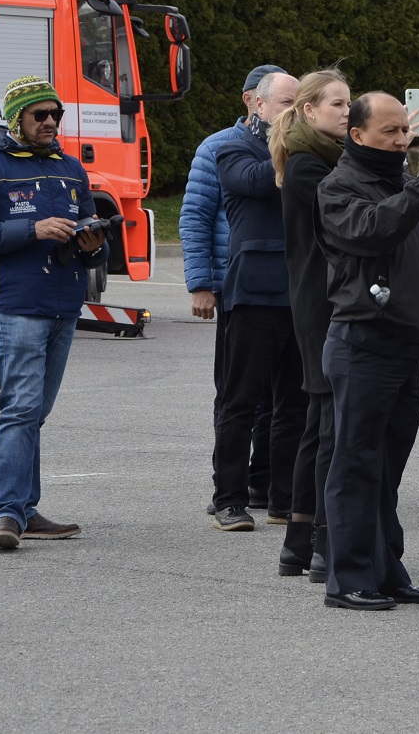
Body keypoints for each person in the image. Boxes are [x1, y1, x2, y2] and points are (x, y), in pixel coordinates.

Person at [0, 76, 108, 549]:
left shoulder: (70, 168)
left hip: (64, 305)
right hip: (16, 305)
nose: (52, 122)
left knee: (35, 412)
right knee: (20, 408)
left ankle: (25, 508)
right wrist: (32, 229)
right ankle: (7, 515)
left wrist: (94, 246)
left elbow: (91, 250)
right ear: (17, 118)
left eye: (56, 114)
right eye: (41, 115)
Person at [314, 93, 419, 611]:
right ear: (358, 135)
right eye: (390, 132)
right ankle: (348, 578)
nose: (402, 140)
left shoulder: (399, 181)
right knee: (356, 464)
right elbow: (374, 232)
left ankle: (385, 568)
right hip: (364, 345)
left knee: (387, 467)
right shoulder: (338, 186)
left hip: (406, 345)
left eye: (405, 130)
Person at [180, 63, 286, 515]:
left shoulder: (303, 148)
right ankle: (228, 490)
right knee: (238, 392)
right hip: (234, 282)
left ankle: (263, 483)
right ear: (253, 101)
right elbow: (195, 216)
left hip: (284, 287)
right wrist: (201, 284)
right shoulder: (222, 148)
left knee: (278, 397)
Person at [211, 69, 307, 531]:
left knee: (294, 403)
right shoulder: (233, 146)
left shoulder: (312, 151)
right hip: (252, 293)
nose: (295, 111)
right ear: (259, 105)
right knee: (239, 402)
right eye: (288, 102)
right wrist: (302, 147)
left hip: (301, 292)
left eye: (300, 103)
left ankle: (282, 497)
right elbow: (256, 179)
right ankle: (229, 499)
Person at [270, 69, 350, 575]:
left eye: (349, 104)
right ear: (308, 111)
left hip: (323, 299)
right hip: (320, 303)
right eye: (338, 104)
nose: (347, 112)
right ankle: (320, 540)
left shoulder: (325, 160)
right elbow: (351, 214)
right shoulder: (307, 166)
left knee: (320, 423)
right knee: (326, 426)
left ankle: (300, 544)